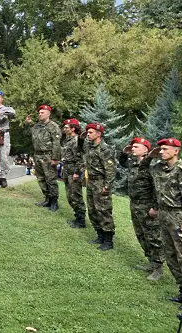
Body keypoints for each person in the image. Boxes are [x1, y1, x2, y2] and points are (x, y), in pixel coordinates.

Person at [142, 138, 182, 302]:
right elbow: (142, 170)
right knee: (170, 255)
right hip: (164, 215)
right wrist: (150, 156)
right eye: (160, 149)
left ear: (176, 151)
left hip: (179, 216)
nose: (161, 151)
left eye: (165, 149)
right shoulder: (158, 168)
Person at [119, 137, 163, 280]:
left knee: (153, 236)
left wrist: (155, 207)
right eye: (132, 146)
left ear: (146, 149)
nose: (133, 148)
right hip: (135, 203)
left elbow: (158, 188)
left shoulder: (153, 166)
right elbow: (122, 162)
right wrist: (124, 153)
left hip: (147, 205)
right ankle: (151, 262)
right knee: (141, 234)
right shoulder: (133, 163)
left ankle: (158, 268)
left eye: (136, 146)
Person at [83, 123, 116, 251]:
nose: (88, 134)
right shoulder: (90, 146)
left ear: (98, 133)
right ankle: (100, 235)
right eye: (87, 132)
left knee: (103, 210)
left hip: (101, 182)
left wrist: (107, 186)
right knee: (92, 210)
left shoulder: (105, 149)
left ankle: (108, 240)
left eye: (91, 132)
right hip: (91, 182)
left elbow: (110, 170)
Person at [25, 105, 61, 211]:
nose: (40, 114)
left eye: (42, 112)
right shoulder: (36, 126)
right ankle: (47, 199)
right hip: (37, 155)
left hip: (48, 155)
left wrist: (55, 158)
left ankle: (54, 201)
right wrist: (27, 124)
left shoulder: (53, 126)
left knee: (50, 179)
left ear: (48, 114)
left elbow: (56, 143)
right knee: (41, 178)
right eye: (39, 113)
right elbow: (27, 134)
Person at [61, 119, 86, 228]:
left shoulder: (76, 141)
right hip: (67, 169)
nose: (64, 129)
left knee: (75, 195)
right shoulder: (68, 140)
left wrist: (77, 172)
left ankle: (81, 221)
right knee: (70, 195)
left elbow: (81, 159)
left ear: (73, 128)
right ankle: (77, 217)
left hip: (74, 171)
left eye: (66, 127)